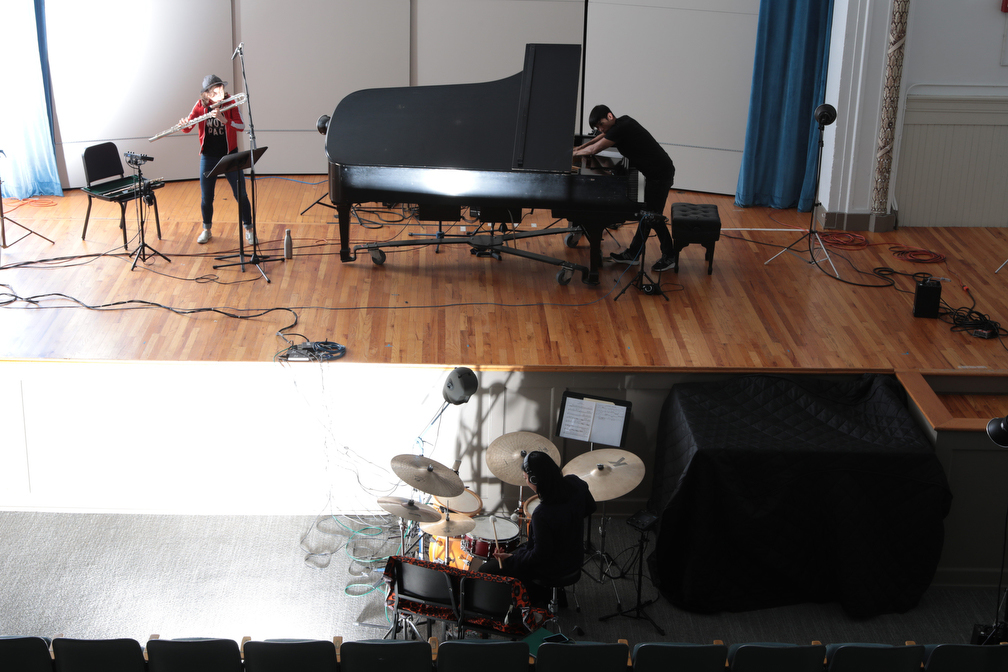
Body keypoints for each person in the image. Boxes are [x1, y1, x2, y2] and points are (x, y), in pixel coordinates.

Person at [481, 450, 596, 605]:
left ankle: (530, 599)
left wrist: (513, 559)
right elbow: (591, 507)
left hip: (554, 567)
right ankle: (551, 595)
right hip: (574, 557)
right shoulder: (575, 482)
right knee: (519, 550)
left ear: (535, 479)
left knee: (485, 571)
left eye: (526, 478)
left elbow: (539, 556)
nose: (526, 482)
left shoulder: (542, 514)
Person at [573, 104, 676, 272]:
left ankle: (670, 256)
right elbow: (599, 138)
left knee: (652, 216)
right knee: (647, 215)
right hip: (654, 174)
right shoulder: (621, 122)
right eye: (597, 127)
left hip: (660, 175)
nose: (600, 129)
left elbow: (596, 148)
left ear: (609, 116)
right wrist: (579, 148)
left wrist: (572, 154)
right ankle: (633, 254)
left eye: (600, 124)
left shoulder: (623, 127)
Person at [180, 74, 253, 245]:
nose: (218, 93)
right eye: (214, 91)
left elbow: (241, 126)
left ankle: (248, 229)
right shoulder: (200, 106)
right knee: (207, 197)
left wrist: (224, 119)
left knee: (241, 193)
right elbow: (188, 127)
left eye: (220, 89)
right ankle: (207, 230)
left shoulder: (231, 103)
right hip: (209, 157)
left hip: (230, 155)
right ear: (206, 94)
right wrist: (183, 124)